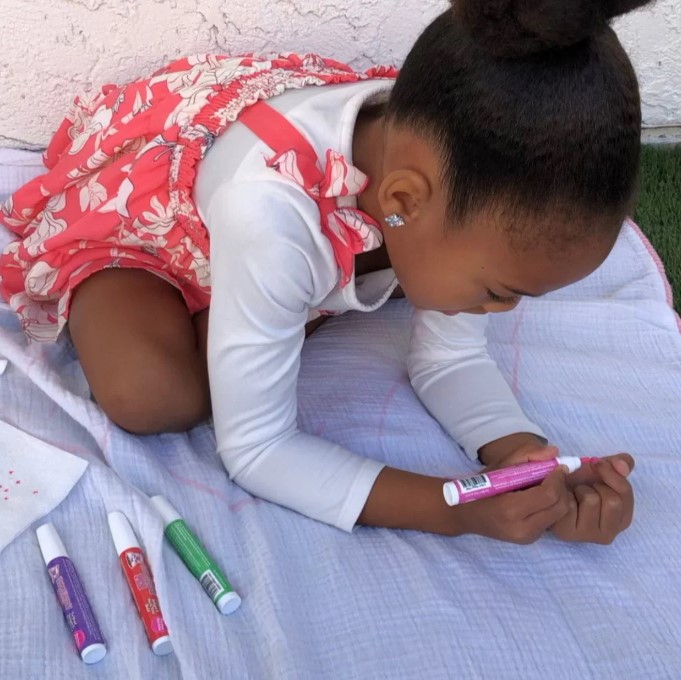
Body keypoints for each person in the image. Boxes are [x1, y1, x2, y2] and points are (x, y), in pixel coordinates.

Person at [0, 0, 649, 543]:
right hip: (148, 222)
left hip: (274, 227)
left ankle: (261, 308)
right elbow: (257, 449)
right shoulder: (272, 214)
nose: (502, 311)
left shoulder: (449, 190)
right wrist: (453, 510)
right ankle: (214, 301)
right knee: (156, 397)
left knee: (307, 303)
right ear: (401, 200)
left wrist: (518, 455)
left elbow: (449, 359)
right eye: (500, 293)